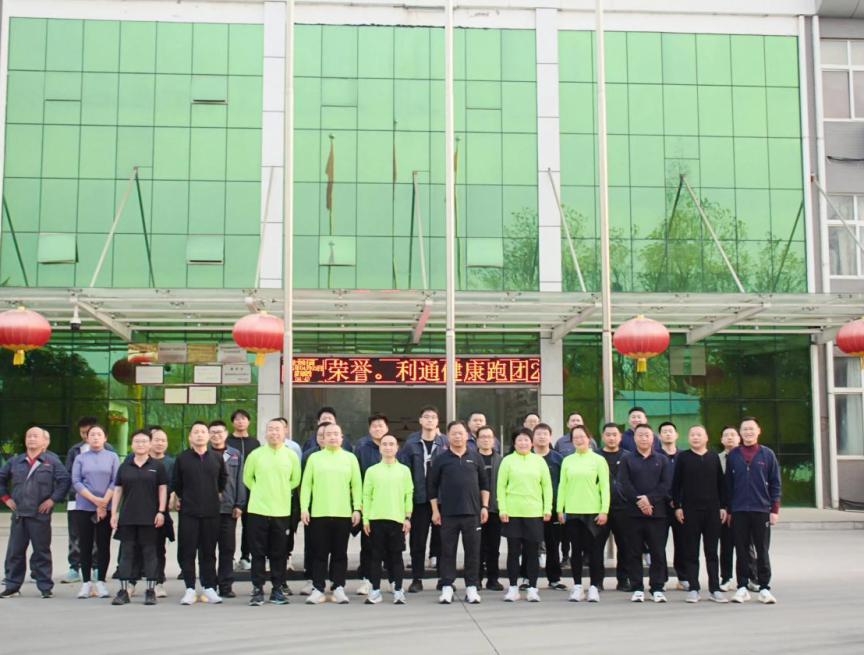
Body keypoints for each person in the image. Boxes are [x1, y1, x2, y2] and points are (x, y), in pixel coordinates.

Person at [0, 426, 71, 599]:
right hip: (19, 514)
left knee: (41, 551)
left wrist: (52, 500)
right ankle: (12, 586)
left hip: (40, 515)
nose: (31, 439)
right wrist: (6, 499)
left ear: (44, 441)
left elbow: (64, 481)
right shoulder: (15, 461)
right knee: (15, 552)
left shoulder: (51, 462)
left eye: (35, 436)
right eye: (29, 436)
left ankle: (45, 586)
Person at [300, 423, 362, 605]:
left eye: (336, 434)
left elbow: (356, 485)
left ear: (342, 437)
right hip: (319, 513)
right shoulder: (314, 458)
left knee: (340, 553)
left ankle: (338, 587)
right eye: (329, 434)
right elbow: (306, 485)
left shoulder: (350, 458)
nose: (333, 437)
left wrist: (357, 508)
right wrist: (304, 508)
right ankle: (318, 588)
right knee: (319, 553)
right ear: (322, 438)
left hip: (343, 513)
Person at [429, 420, 489, 605]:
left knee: (473, 551)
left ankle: (472, 586)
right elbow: (432, 486)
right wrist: (435, 511)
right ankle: (447, 586)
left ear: (466, 435)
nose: (457, 436)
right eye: (453, 433)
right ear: (447, 436)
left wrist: (484, 506)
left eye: (460, 433)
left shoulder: (476, 457)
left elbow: (484, 484)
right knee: (447, 551)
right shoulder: (441, 459)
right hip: (448, 513)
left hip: (472, 513)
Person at [244, 418, 302, 606]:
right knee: (257, 552)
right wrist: (261, 492)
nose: (274, 433)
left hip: (281, 510)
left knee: (279, 553)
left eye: (277, 429)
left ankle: (277, 589)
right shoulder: (255, 454)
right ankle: (258, 589)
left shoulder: (291, 455)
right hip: (257, 510)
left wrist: (280, 491)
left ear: (285, 432)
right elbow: (247, 478)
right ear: (265, 432)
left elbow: (295, 480)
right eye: (270, 429)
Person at [109, 429, 168, 606]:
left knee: (150, 553)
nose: (140, 444)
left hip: (150, 517)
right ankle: (124, 590)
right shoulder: (125, 466)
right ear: (131, 444)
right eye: (137, 441)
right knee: (126, 553)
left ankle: (150, 590)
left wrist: (161, 511)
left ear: (149, 444)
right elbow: (118, 490)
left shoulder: (157, 466)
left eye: (144, 441)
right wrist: (114, 512)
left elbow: (162, 489)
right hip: (128, 516)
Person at [726, 417, 781, 605]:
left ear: (758, 431)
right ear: (740, 433)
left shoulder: (767, 454)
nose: (748, 432)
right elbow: (728, 484)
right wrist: (728, 509)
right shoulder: (733, 455)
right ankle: (742, 586)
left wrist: (774, 509)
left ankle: (764, 587)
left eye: (751, 429)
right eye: (744, 429)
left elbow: (775, 483)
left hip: (761, 509)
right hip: (739, 510)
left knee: (762, 550)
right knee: (741, 550)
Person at [173, 421, 228, 606]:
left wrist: (214, 494)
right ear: (190, 437)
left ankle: (208, 587)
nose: (199, 435)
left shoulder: (217, 458)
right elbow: (176, 483)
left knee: (209, 552)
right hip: (189, 512)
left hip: (211, 512)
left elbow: (223, 480)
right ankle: (190, 588)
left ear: (208, 436)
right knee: (187, 551)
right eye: (195, 432)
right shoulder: (182, 458)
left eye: (203, 432)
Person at [672, 425, 728, 604]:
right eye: (692, 435)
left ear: (706, 438)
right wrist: (678, 507)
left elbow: (721, 483)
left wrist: (723, 506)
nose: (695, 437)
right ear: (688, 438)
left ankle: (715, 589)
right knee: (691, 552)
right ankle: (694, 588)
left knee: (711, 552)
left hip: (712, 511)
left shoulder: (713, 457)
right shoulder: (683, 457)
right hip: (690, 511)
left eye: (699, 435)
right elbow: (676, 484)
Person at [497, 428, 552, 603]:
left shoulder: (539, 461)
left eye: (526, 440)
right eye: (519, 440)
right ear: (514, 443)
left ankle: (532, 587)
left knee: (532, 551)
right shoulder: (507, 461)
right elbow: (501, 486)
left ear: (532, 442)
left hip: (534, 512)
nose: (523, 443)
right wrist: (503, 509)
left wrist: (547, 508)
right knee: (513, 551)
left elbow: (547, 486)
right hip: (512, 513)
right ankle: (513, 587)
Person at [619, 424, 672, 603]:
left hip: (657, 514)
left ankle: (657, 587)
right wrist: (640, 502)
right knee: (634, 552)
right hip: (633, 514)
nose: (643, 438)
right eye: (640, 435)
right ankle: (637, 588)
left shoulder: (662, 459)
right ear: (634, 438)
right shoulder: (627, 459)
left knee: (657, 552)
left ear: (653, 438)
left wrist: (649, 499)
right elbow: (625, 484)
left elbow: (665, 484)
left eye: (647, 435)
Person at [558, 425, 609, 603]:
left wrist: (604, 510)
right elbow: (562, 486)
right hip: (573, 512)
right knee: (576, 550)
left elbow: (605, 487)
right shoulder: (567, 461)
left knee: (594, 551)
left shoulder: (598, 460)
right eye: (575, 437)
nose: (579, 440)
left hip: (593, 511)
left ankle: (594, 586)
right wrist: (560, 509)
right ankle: (578, 586)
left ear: (589, 438)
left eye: (582, 437)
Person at [400, 405, 448, 592]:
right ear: (420, 420)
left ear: (437, 421)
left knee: (442, 541)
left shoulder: (445, 443)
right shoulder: (411, 444)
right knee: (417, 541)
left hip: (441, 500)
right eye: (426, 416)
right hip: (419, 500)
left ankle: (443, 578)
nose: (429, 420)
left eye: (433, 417)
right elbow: (405, 472)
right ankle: (416, 578)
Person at [62, 415, 114, 585]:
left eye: (89, 432)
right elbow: (70, 476)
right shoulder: (75, 451)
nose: (87, 436)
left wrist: (102, 501)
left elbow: (114, 479)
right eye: (83, 433)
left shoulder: (109, 451)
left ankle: (97, 567)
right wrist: (78, 493)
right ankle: (74, 567)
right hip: (78, 500)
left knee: (99, 538)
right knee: (76, 536)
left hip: (103, 502)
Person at [362, 435, 413, 605]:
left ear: (397, 448)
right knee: (376, 557)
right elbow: (366, 496)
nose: (388, 447)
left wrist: (407, 517)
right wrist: (366, 519)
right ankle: (375, 590)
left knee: (396, 557)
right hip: (376, 519)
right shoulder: (372, 471)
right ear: (380, 448)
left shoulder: (404, 470)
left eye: (391, 444)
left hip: (397, 520)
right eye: (384, 444)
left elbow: (408, 495)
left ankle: (398, 590)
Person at [71, 424, 119, 600]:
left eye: (99, 434)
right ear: (87, 438)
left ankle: (101, 582)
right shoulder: (80, 458)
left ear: (105, 438)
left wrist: (103, 502)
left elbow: (116, 480)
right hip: (84, 506)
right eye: (92, 434)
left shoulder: (112, 457)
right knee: (85, 544)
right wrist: (94, 500)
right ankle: (86, 583)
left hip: (106, 507)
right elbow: (76, 481)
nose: (96, 437)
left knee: (103, 544)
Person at [208, 420, 245, 598]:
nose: (216, 435)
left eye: (219, 432)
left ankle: (225, 585)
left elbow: (240, 480)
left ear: (226, 433)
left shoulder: (235, 454)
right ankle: (209, 585)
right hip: (207, 509)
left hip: (229, 508)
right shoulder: (203, 453)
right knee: (208, 549)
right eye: (213, 432)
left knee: (227, 549)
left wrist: (240, 504)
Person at [718, 425, 757, 591]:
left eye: (733, 435)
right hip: (724, 509)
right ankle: (726, 578)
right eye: (726, 435)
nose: (729, 437)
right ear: (721, 440)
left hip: (744, 507)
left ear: (739, 438)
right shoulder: (716, 459)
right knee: (726, 545)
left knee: (747, 545)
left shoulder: (746, 456)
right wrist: (724, 507)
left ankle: (752, 577)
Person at [355, 413, 389, 596]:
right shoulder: (362, 449)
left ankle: (393, 581)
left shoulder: (394, 449)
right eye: (374, 426)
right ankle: (367, 580)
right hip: (369, 505)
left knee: (391, 546)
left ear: (387, 428)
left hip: (391, 505)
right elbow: (357, 478)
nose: (378, 428)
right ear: (369, 429)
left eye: (381, 425)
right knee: (368, 545)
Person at [530, 423, 566, 591]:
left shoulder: (558, 459)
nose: (542, 437)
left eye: (545, 434)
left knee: (553, 544)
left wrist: (561, 508)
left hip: (552, 509)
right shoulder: (527, 457)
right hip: (530, 508)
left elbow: (564, 484)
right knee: (530, 545)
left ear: (550, 437)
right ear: (533, 438)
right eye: (538, 434)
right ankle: (528, 578)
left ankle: (554, 578)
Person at [595, 422, 632, 592]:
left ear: (620, 437)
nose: (611, 438)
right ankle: (597, 581)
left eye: (615, 435)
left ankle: (623, 580)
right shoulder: (595, 457)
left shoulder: (628, 456)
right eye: (608, 435)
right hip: (599, 508)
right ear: (603, 437)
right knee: (597, 547)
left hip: (622, 507)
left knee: (624, 546)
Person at [226, 409, 258, 571]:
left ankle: (245, 556)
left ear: (249, 422)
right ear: (232, 422)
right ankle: (229, 557)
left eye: (243, 419)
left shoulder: (255, 443)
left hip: (250, 488)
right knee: (229, 526)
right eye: (237, 419)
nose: (240, 422)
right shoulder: (227, 442)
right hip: (231, 488)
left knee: (249, 526)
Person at [299, 422, 329, 596]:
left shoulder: (344, 455)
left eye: (327, 434)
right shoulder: (309, 455)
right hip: (313, 507)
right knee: (312, 546)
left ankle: (334, 581)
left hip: (335, 508)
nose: (323, 438)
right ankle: (311, 579)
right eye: (320, 435)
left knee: (334, 547)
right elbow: (303, 482)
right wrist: (304, 507)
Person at [657, 421, 687, 590]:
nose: (668, 434)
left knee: (682, 542)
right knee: (659, 543)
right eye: (664, 431)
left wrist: (678, 501)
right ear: (659, 436)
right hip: (661, 505)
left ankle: (683, 578)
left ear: (676, 435)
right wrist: (669, 498)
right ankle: (661, 579)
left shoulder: (684, 456)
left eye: (670, 431)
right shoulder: (655, 455)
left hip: (681, 507)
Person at [475, 426, 503, 591]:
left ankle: (493, 579)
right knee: (476, 547)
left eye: (489, 437)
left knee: (494, 547)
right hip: (475, 510)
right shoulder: (471, 458)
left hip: (495, 510)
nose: (486, 440)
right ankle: (476, 579)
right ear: (477, 440)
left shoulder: (501, 460)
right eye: (483, 437)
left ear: (494, 440)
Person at [148, 426, 175, 598]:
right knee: (137, 549)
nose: (160, 443)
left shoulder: (171, 463)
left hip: (161, 511)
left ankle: (159, 581)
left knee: (159, 549)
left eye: (163, 440)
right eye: (157, 440)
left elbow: (174, 484)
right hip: (142, 510)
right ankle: (132, 582)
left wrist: (172, 497)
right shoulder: (138, 460)